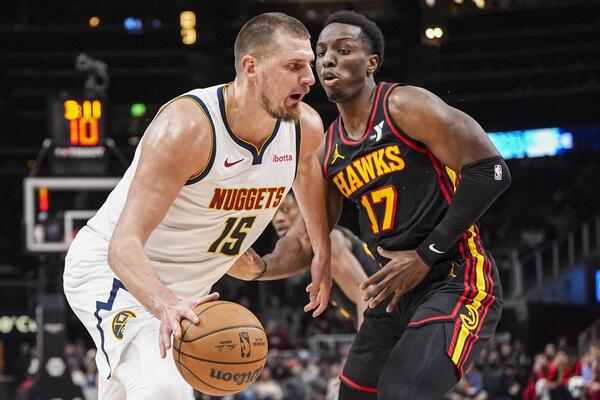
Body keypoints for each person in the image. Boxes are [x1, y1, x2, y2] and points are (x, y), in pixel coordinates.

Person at [236, 10, 512, 399]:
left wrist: (425, 255)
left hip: (456, 279)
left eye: (343, 50)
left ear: (371, 62)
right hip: (392, 293)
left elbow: (492, 171)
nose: (328, 60)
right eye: (322, 52)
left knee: (402, 392)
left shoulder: (405, 106)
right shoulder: (328, 149)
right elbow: (306, 240)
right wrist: (261, 267)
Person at [63, 12, 332, 399]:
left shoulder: (304, 129)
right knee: (164, 390)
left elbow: (307, 178)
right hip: (118, 276)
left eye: (309, 65)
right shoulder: (188, 129)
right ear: (250, 67)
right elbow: (122, 245)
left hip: (188, 292)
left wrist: (322, 253)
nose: (309, 78)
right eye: (293, 67)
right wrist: (165, 305)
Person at [271, 192, 379, 328]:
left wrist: (366, 340)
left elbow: (366, 294)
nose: (278, 219)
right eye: (273, 214)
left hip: (392, 318)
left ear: (304, 209)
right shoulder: (315, 247)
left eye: (286, 209)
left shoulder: (329, 243)